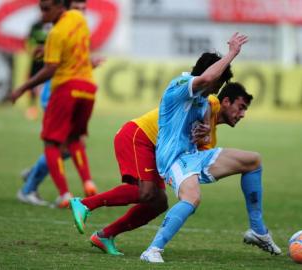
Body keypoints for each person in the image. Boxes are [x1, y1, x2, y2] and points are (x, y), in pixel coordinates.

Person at [68, 81, 256, 256]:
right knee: (145, 192)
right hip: (139, 135)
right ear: (225, 101)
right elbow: (205, 99)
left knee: (157, 202)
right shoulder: (212, 102)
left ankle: (104, 236)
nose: (242, 115)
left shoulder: (211, 137)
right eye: (240, 108)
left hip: (158, 152)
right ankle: (85, 204)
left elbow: (192, 160)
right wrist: (206, 123)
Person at [140, 33, 282, 263]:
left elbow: (204, 114)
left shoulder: (203, 99)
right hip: (173, 159)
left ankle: (258, 230)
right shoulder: (180, 84)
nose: (216, 90)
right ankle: (152, 250)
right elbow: (206, 80)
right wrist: (232, 54)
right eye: (218, 84)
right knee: (192, 198)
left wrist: (204, 128)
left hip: (194, 156)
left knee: (252, 161)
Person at [11, 0, 97, 208]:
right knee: (73, 141)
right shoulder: (78, 22)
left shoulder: (56, 33)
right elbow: (75, 51)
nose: (42, 13)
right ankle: (87, 181)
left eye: (46, 8)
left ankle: (48, 190)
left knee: (54, 143)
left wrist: (22, 88)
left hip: (64, 90)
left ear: (61, 7)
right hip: (87, 89)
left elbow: (51, 68)